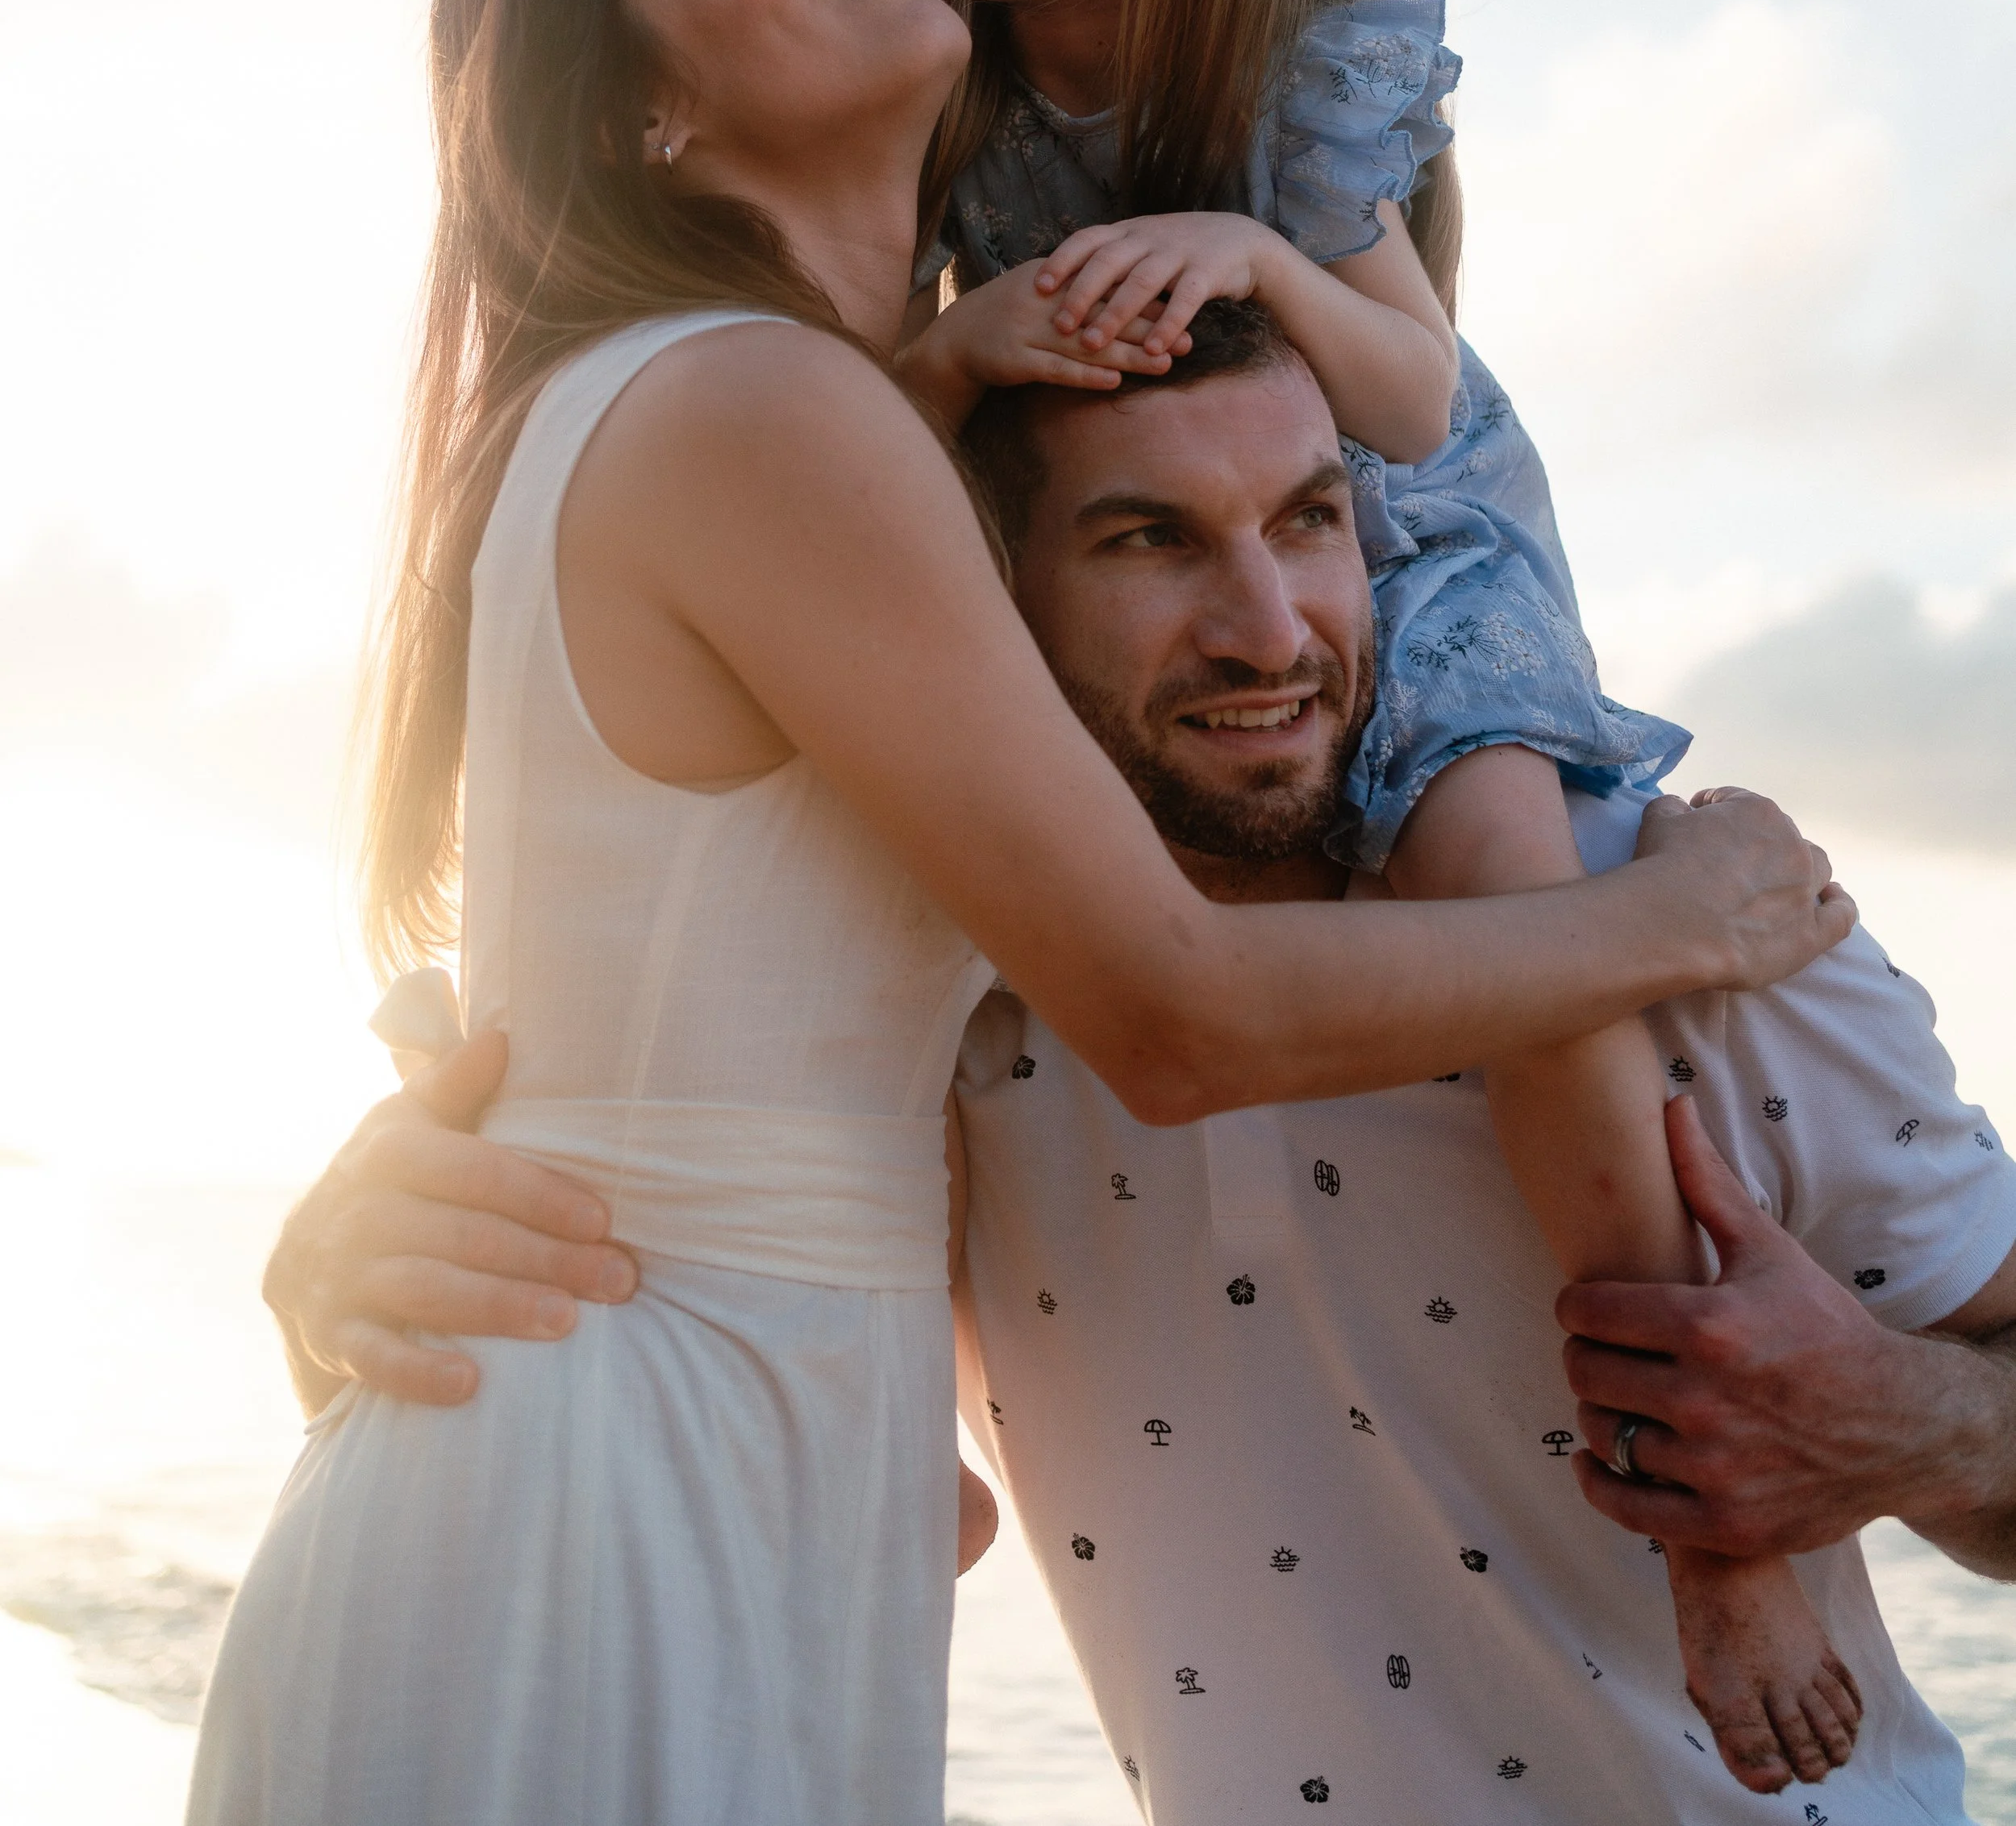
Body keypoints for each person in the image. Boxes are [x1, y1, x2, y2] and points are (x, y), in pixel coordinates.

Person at [186, 0, 1841, 1826]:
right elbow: (1169, 1014)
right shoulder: (749, 402)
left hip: (716, 1436)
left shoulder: (796, 416)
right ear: (638, 122)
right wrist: (1691, 912)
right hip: (632, 1452)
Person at [281, 308, 2016, 1822]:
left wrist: (1913, 1420)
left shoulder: (1684, 925)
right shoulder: (924, 1031)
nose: (1266, 624)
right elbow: (687, 1398)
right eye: (1146, 540)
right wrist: (372, 1278)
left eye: (1308, 519)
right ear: (980, 596)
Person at [893, 0, 1846, 1779]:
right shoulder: (952, 97)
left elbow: (1408, 400)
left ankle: (1711, 1507)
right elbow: (875, 399)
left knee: (1518, 908)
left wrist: (1252, 262)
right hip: (1126, 567)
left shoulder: (1299, 97)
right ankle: (903, 1421)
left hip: (1402, 559)